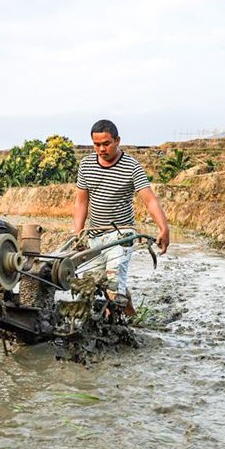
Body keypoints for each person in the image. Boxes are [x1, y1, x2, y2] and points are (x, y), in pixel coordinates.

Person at [73, 119, 170, 316]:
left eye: (106, 143)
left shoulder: (131, 166)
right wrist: (78, 234)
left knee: (113, 282)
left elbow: (150, 200)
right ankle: (130, 312)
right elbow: (81, 202)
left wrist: (164, 229)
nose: (101, 149)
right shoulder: (86, 165)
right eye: (97, 144)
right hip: (94, 235)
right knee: (89, 284)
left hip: (121, 234)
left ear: (117, 140)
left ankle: (118, 327)